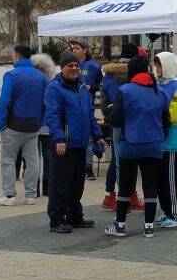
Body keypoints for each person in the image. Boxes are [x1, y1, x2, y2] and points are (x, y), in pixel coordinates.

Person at [104, 55, 168, 238]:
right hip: (154, 144)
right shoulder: (160, 91)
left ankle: (120, 225)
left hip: (130, 144)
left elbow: (116, 119)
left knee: (126, 185)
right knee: (150, 185)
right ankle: (149, 227)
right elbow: (166, 119)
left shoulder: (125, 90)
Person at [43, 52, 105, 233]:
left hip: (80, 143)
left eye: (77, 66)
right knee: (60, 183)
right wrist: (59, 139)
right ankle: (57, 220)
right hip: (64, 144)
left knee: (77, 184)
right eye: (70, 65)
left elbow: (90, 115)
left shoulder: (82, 88)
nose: (74, 68)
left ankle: (75, 216)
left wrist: (97, 135)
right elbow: (52, 116)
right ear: (62, 67)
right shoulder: (54, 88)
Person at [0, 45, 46, 206]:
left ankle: (9, 195)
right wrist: (41, 121)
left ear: (17, 56)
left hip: (13, 125)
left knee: (8, 160)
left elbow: (4, 101)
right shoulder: (41, 77)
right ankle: (31, 195)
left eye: (13, 56)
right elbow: (46, 102)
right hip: (34, 125)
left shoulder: (11, 75)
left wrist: (1, 123)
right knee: (33, 160)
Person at [99, 43, 146, 212]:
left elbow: (110, 98)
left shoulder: (109, 74)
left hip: (116, 120)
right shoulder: (135, 72)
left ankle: (117, 195)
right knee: (123, 162)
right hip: (130, 122)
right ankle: (123, 198)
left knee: (119, 160)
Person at [155, 51, 177, 227]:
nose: (157, 68)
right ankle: (166, 211)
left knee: (171, 180)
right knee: (161, 179)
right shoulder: (159, 84)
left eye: (160, 64)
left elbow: (173, 115)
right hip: (161, 139)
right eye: (156, 64)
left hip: (173, 139)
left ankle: (176, 215)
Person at [69, 39, 102, 180]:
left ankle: (87, 167)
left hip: (87, 105)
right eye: (73, 48)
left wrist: (91, 87)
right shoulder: (69, 64)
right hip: (71, 105)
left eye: (77, 48)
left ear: (85, 50)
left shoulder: (94, 66)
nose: (74, 50)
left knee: (88, 136)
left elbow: (100, 84)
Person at [30, 53, 57, 197]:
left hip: (44, 124)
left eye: (39, 68)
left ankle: (44, 187)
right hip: (38, 124)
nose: (38, 71)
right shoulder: (50, 84)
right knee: (37, 158)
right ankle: (38, 187)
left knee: (45, 157)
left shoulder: (48, 84)